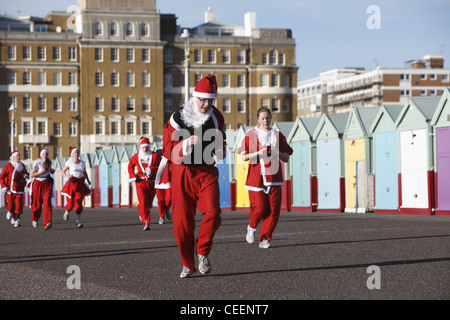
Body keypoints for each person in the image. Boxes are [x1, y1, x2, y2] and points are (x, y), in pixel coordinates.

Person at [162, 74, 226, 278]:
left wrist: (221, 148)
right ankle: (187, 264)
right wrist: (184, 144)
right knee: (182, 224)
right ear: (194, 97)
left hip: (207, 170)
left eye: (210, 100)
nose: (206, 104)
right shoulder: (178, 117)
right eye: (202, 99)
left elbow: (221, 141)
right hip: (183, 172)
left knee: (213, 212)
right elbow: (166, 149)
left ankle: (202, 251)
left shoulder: (216, 116)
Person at [238, 106, 293, 248]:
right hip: (256, 178)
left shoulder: (277, 135)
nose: (265, 120)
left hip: (274, 178)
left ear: (271, 119)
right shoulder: (251, 134)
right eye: (262, 118)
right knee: (260, 208)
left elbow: (286, 158)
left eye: (268, 118)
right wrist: (258, 152)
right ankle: (251, 227)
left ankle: (265, 239)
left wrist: (276, 152)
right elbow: (243, 156)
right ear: (258, 119)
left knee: (273, 211)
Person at [128, 136, 162, 230]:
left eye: (147, 147)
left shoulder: (155, 156)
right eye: (143, 147)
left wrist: (152, 170)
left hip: (151, 181)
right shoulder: (136, 156)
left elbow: (162, 166)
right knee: (143, 202)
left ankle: (141, 209)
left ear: (149, 147)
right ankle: (146, 222)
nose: (145, 149)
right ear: (141, 147)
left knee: (148, 203)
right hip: (140, 181)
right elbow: (130, 166)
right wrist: (133, 176)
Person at [61, 147, 92, 228]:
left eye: (77, 153)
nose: (76, 154)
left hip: (80, 184)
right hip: (72, 184)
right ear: (72, 154)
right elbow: (62, 172)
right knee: (70, 204)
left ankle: (78, 221)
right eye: (75, 153)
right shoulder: (69, 162)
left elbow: (84, 172)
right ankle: (66, 212)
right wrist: (67, 175)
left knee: (79, 203)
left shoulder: (82, 162)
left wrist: (88, 180)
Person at [0, 150, 29, 227]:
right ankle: (10, 212)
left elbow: (26, 173)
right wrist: (4, 186)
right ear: (13, 157)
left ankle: (17, 220)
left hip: (19, 188)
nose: (19, 157)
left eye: (19, 155)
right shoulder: (8, 166)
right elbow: (2, 177)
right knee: (10, 205)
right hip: (10, 188)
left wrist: (26, 175)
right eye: (17, 156)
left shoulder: (22, 165)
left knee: (18, 205)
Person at [29, 148, 55, 230]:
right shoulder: (37, 162)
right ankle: (35, 219)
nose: (45, 155)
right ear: (41, 155)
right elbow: (31, 175)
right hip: (37, 183)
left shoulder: (49, 162)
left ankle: (48, 222)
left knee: (47, 202)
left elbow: (51, 172)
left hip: (47, 183)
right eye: (43, 154)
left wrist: (52, 171)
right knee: (37, 204)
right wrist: (41, 172)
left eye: (46, 154)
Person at [154, 149, 172, 225]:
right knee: (160, 201)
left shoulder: (168, 161)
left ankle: (167, 209)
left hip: (168, 182)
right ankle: (161, 216)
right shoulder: (155, 161)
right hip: (158, 183)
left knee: (169, 199)